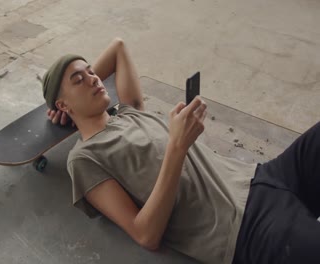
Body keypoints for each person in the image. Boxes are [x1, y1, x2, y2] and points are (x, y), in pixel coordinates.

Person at [41, 37, 320, 264]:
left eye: (91, 72)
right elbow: (144, 234)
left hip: (260, 178)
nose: (93, 79)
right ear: (63, 105)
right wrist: (178, 146)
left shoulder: (128, 112)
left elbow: (118, 47)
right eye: (79, 80)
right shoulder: (84, 158)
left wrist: (74, 95)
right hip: (246, 229)